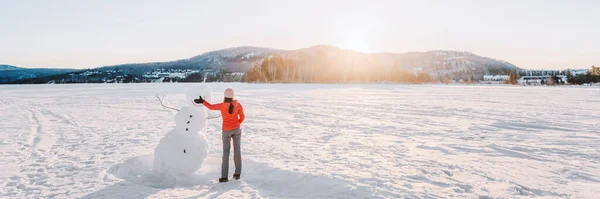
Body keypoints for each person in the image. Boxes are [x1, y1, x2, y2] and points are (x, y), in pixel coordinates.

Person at [194, 88, 245, 183]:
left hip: (226, 131)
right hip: (236, 130)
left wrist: (202, 101)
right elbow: (242, 117)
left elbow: (211, 107)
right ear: (233, 95)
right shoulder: (238, 105)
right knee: (237, 151)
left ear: (225, 96)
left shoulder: (222, 106)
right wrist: (237, 124)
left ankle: (224, 177)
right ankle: (237, 174)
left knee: (226, 153)